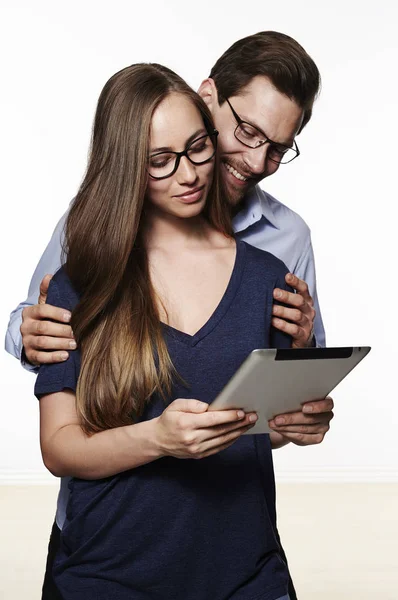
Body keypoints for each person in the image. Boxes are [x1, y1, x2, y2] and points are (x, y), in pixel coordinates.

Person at [36, 61, 298, 600]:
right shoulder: (79, 283)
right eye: (161, 161)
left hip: (244, 573)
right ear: (126, 166)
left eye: (200, 147)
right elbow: (59, 447)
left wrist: (299, 419)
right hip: (108, 576)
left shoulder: (270, 276)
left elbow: (265, 428)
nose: (189, 173)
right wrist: (158, 438)